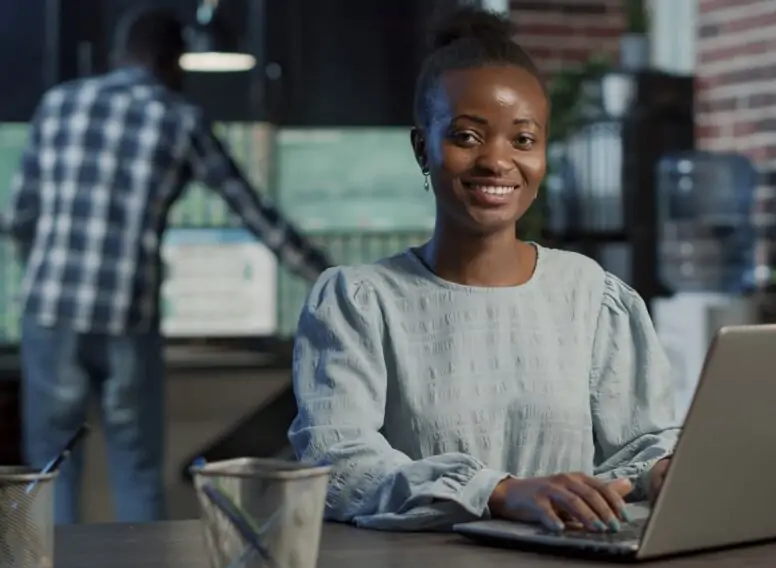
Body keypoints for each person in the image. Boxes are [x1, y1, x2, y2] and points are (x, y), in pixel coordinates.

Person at [288, 7, 682, 533]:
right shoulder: (358, 301)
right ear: (422, 146)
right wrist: (497, 492)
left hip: (569, 565)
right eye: (467, 136)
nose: (497, 161)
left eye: (523, 140)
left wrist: (663, 472)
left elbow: (640, 447)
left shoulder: (591, 294)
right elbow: (336, 466)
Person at [5, 8, 332, 524]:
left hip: (50, 313)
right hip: (126, 318)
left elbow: (21, 215)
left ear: (119, 56)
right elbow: (256, 215)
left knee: (53, 469)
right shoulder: (179, 119)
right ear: (170, 61)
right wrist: (332, 278)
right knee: (136, 470)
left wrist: (41, 271)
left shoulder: (59, 103)